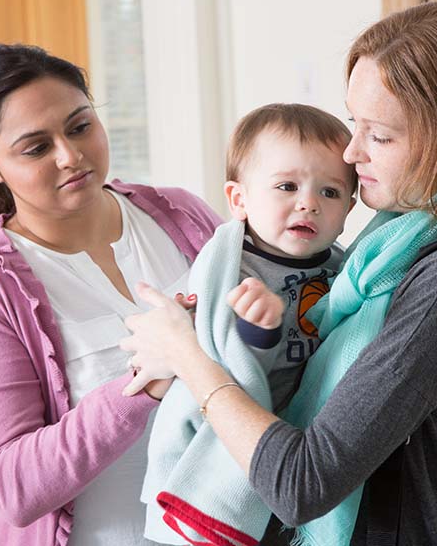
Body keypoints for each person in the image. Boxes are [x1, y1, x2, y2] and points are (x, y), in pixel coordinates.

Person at [120, 0, 437, 546]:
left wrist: (190, 358)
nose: (351, 150)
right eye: (352, 123)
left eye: (380, 135)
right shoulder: (387, 253)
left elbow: (303, 483)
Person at [0, 43, 222, 546]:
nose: (71, 156)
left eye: (80, 126)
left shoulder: (183, 215)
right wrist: (145, 381)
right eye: (37, 148)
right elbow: (14, 487)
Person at [140, 103, 356, 545]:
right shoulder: (234, 272)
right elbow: (221, 355)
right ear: (239, 199)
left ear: (349, 209)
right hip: (238, 442)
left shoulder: (344, 273)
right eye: (287, 186)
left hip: (300, 455)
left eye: (330, 193)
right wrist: (257, 329)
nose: (308, 203)